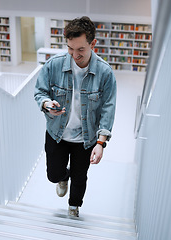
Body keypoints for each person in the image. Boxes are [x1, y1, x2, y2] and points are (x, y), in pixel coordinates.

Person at [34, 16, 117, 217]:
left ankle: (74, 208)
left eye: (81, 49)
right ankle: (64, 176)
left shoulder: (105, 73)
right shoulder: (53, 65)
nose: (75, 54)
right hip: (57, 133)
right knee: (53, 175)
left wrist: (101, 142)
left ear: (93, 43)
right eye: (71, 49)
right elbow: (40, 92)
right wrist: (47, 104)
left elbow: (108, 108)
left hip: (85, 138)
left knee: (80, 178)